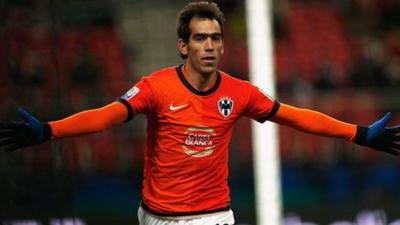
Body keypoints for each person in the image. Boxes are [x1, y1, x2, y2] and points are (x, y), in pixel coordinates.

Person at [1, 1, 400, 225]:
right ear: (183, 45)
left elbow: (293, 115)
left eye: (215, 38)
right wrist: (48, 131)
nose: (209, 45)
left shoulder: (240, 92)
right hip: (154, 216)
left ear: (223, 45)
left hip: (212, 217)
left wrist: (358, 133)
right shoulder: (156, 86)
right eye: (199, 38)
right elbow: (108, 115)